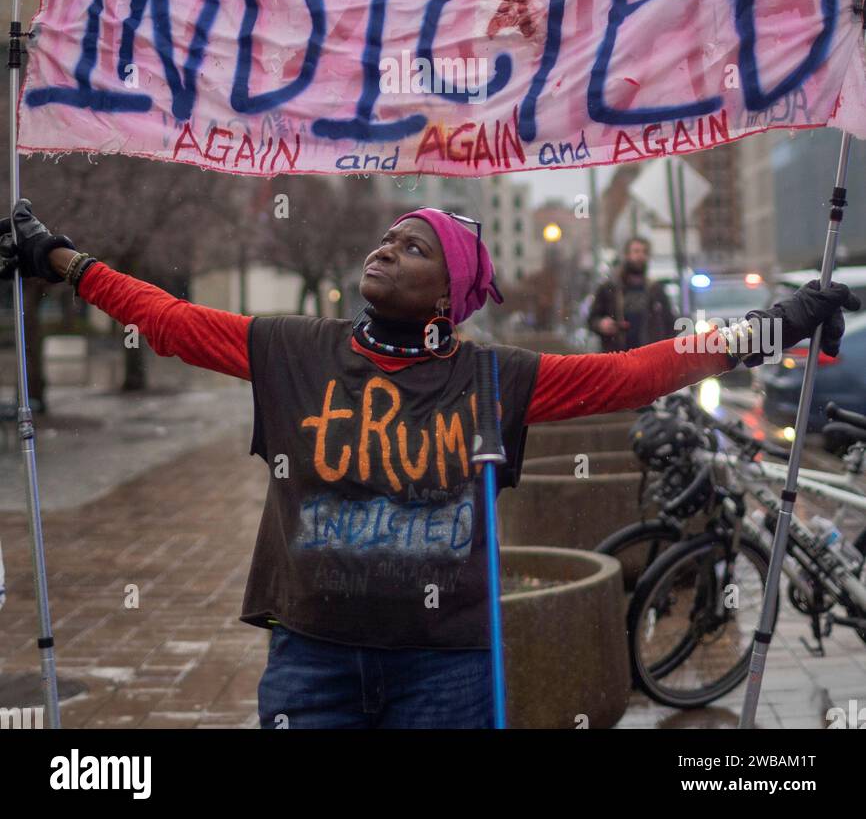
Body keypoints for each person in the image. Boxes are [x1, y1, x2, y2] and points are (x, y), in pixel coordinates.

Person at [0, 198, 858, 730]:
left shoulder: (494, 377)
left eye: (411, 248)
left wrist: (778, 322)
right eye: (384, 238)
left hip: (446, 671)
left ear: (450, 294)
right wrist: (64, 261)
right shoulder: (295, 349)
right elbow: (173, 320)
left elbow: (644, 369)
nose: (383, 249)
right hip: (312, 658)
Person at [588, 235, 676, 352]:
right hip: (617, 358)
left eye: (644, 252)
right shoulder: (609, 289)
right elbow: (592, 320)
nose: (640, 256)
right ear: (626, 255)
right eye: (636, 251)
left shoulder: (656, 290)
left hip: (649, 358)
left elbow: (670, 324)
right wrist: (601, 324)